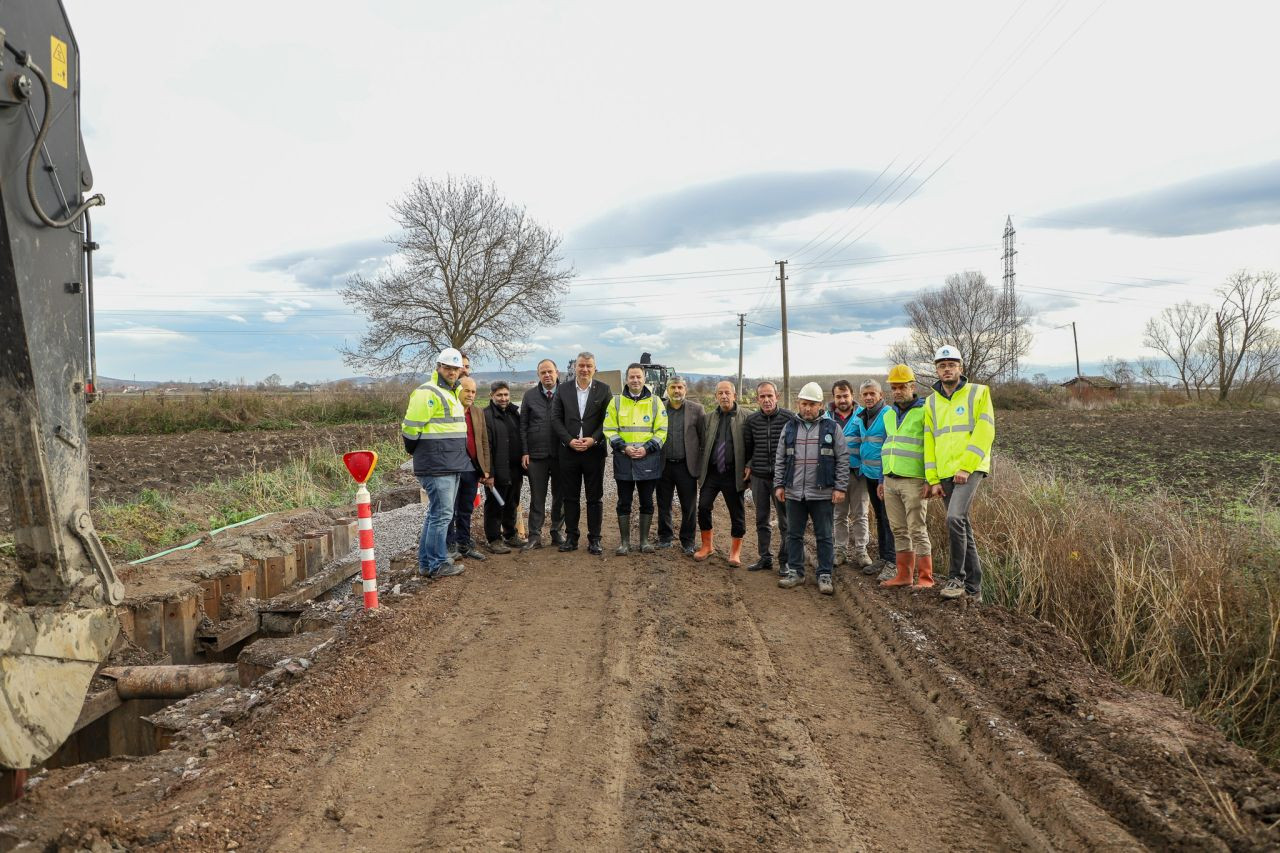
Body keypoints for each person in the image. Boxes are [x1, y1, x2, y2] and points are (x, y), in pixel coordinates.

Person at [924, 345, 996, 602]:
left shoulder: (978, 392)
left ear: (960, 368)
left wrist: (966, 466)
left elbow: (985, 431)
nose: (947, 369)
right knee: (963, 524)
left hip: (970, 468)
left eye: (951, 364)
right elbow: (929, 441)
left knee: (954, 518)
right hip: (944, 472)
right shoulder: (931, 402)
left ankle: (956, 577)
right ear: (936, 370)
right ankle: (975, 590)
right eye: (942, 365)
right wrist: (932, 480)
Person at [402, 348, 471, 579]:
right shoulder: (427, 392)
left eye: (455, 368)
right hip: (436, 464)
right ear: (438, 367)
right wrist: (418, 452)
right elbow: (410, 430)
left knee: (436, 514)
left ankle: (426, 563)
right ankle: (437, 563)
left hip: (450, 463)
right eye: (448, 368)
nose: (452, 372)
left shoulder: (453, 392)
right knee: (441, 515)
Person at [774, 382, 849, 594]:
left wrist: (840, 487)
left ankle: (825, 574)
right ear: (798, 403)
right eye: (804, 404)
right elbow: (780, 459)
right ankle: (796, 572)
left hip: (822, 493)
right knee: (794, 534)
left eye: (812, 404)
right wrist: (779, 485)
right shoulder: (789, 427)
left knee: (824, 535)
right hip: (794, 492)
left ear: (820, 405)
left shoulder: (832, 428)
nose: (807, 408)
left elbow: (842, 460)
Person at [877, 364, 932, 589]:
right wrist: (881, 479)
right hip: (890, 480)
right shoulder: (889, 414)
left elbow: (931, 447)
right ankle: (904, 576)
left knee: (917, 529)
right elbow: (887, 446)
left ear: (912, 386)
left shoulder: (925, 411)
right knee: (898, 529)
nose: (897, 391)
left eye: (901, 387)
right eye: (894, 387)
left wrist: (931, 479)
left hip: (914, 481)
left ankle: (926, 578)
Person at [551, 352, 613, 555]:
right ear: (575, 368)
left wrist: (594, 439)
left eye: (588, 366)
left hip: (593, 452)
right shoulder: (563, 390)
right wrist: (569, 440)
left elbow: (608, 420)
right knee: (570, 497)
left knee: (594, 497)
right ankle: (571, 537)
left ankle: (595, 539)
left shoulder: (604, 390)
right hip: (568, 452)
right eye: (581, 366)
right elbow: (556, 419)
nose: (584, 369)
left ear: (595, 368)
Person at [604, 364, 669, 555]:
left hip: (648, 460)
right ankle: (624, 543)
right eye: (632, 377)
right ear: (626, 379)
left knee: (647, 501)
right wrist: (624, 448)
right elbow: (609, 429)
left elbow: (662, 430)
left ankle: (644, 541)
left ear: (644, 378)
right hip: (624, 460)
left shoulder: (656, 402)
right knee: (623, 502)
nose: (635, 380)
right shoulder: (615, 402)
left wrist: (646, 449)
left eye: (639, 377)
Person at [694, 381, 748, 567]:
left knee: (737, 513)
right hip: (712, 473)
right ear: (715, 396)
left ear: (735, 395)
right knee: (702, 507)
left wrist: (749, 464)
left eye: (727, 393)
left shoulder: (746, 417)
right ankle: (707, 546)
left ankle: (735, 552)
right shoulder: (708, 418)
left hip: (733, 474)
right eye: (720, 393)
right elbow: (701, 442)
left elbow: (753, 445)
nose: (724, 396)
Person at [845, 380, 896, 578]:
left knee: (889, 518)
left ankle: (892, 561)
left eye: (872, 393)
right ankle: (883, 557)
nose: (868, 397)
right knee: (880, 518)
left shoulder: (888, 414)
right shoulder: (860, 416)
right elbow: (850, 437)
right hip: (869, 476)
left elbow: (892, 443)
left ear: (881, 395)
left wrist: (885, 477)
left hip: (885, 476)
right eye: (865, 394)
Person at [742, 381, 793, 573]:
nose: (766, 400)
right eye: (762, 396)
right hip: (759, 478)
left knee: (785, 522)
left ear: (777, 396)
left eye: (769, 396)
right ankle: (765, 557)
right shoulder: (752, 420)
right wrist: (748, 466)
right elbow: (748, 448)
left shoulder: (790, 418)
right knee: (761, 519)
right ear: (757, 399)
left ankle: (785, 561)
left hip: (782, 480)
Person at [656, 376, 705, 555]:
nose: (676, 391)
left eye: (680, 387)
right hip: (663, 464)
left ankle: (688, 541)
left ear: (685, 389)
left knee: (689, 506)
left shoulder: (697, 410)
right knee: (663, 503)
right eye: (673, 387)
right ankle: (665, 537)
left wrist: (700, 464)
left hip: (686, 466)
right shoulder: (659, 407)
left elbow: (703, 438)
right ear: (667, 390)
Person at [519, 358, 564, 550]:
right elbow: (523, 426)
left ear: (557, 373)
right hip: (536, 456)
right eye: (543, 372)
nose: (547, 375)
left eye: (550, 372)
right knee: (537, 497)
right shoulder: (529, 396)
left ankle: (557, 532)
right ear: (538, 375)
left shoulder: (566, 393)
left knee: (560, 496)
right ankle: (535, 536)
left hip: (561, 455)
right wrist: (525, 451)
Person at [446, 376, 491, 564]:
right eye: (467, 390)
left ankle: (463, 544)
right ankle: (449, 546)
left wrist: (485, 469)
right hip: (453, 468)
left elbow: (483, 441)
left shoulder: (477, 412)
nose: (471, 394)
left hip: (472, 468)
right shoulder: (449, 411)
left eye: (473, 391)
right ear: (458, 390)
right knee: (449, 510)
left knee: (466, 509)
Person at [826, 379, 866, 569]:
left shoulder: (863, 415)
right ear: (833, 398)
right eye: (838, 396)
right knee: (839, 515)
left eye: (845, 396)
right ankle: (840, 550)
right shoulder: (826, 418)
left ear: (852, 396)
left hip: (858, 473)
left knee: (860, 514)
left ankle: (861, 551)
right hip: (836, 476)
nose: (842, 400)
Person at [483, 380, 527, 553]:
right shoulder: (486, 416)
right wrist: (489, 472)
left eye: (506, 395)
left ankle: (510, 534)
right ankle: (493, 539)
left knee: (512, 502)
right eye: (499, 395)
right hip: (497, 469)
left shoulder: (514, 413)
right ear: (492, 396)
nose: (503, 398)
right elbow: (486, 447)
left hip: (515, 468)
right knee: (494, 504)